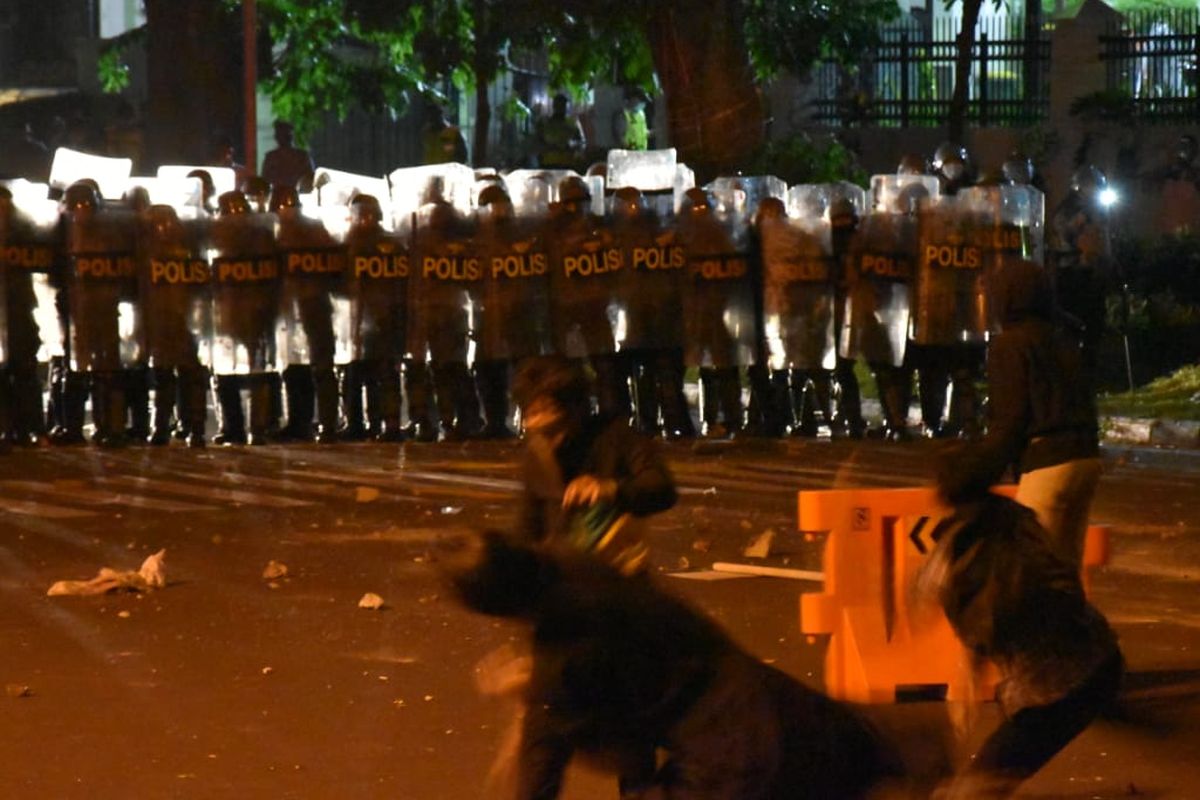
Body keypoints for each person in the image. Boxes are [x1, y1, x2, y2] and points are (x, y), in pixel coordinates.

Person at [446, 529, 906, 800]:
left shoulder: (560, 663)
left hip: (731, 766)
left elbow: (583, 762)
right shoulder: (579, 564)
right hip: (789, 707)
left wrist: (528, 699)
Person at [920, 494, 1122, 800]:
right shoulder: (1026, 543)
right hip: (1100, 663)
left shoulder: (990, 588)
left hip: (1055, 694)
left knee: (975, 787)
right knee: (984, 775)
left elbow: (980, 632)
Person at [936, 259, 1101, 570]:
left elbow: (1009, 423)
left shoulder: (1010, 346)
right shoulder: (1063, 338)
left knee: (1033, 570)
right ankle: (1068, 619)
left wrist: (970, 476)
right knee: (1065, 569)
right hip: (1086, 458)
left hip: (1048, 463)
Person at [512, 354, 675, 572]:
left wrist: (609, 489)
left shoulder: (614, 436)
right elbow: (528, 526)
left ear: (575, 410)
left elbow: (662, 488)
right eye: (533, 417)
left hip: (615, 573)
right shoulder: (537, 451)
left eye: (556, 427)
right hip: (562, 576)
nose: (549, 439)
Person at [260, 121, 315, 193]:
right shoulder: (271, 157)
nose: (281, 137)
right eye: (279, 134)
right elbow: (264, 182)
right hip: (276, 196)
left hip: (300, 197)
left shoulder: (303, 156)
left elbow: (311, 180)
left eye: (286, 134)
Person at [535, 94, 586, 170]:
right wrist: (550, 147)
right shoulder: (545, 123)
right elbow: (537, 143)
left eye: (563, 105)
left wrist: (570, 145)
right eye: (558, 105)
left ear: (566, 107)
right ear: (554, 106)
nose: (560, 108)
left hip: (567, 163)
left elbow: (581, 142)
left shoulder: (572, 123)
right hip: (549, 163)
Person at [421, 101, 469, 165]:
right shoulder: (426, 133)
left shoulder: (454, 132)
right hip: (431, 170)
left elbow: (463, 156)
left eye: (434, 116)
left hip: (450, 170)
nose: (432, 120)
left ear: (440, 114)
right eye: (430, 118)